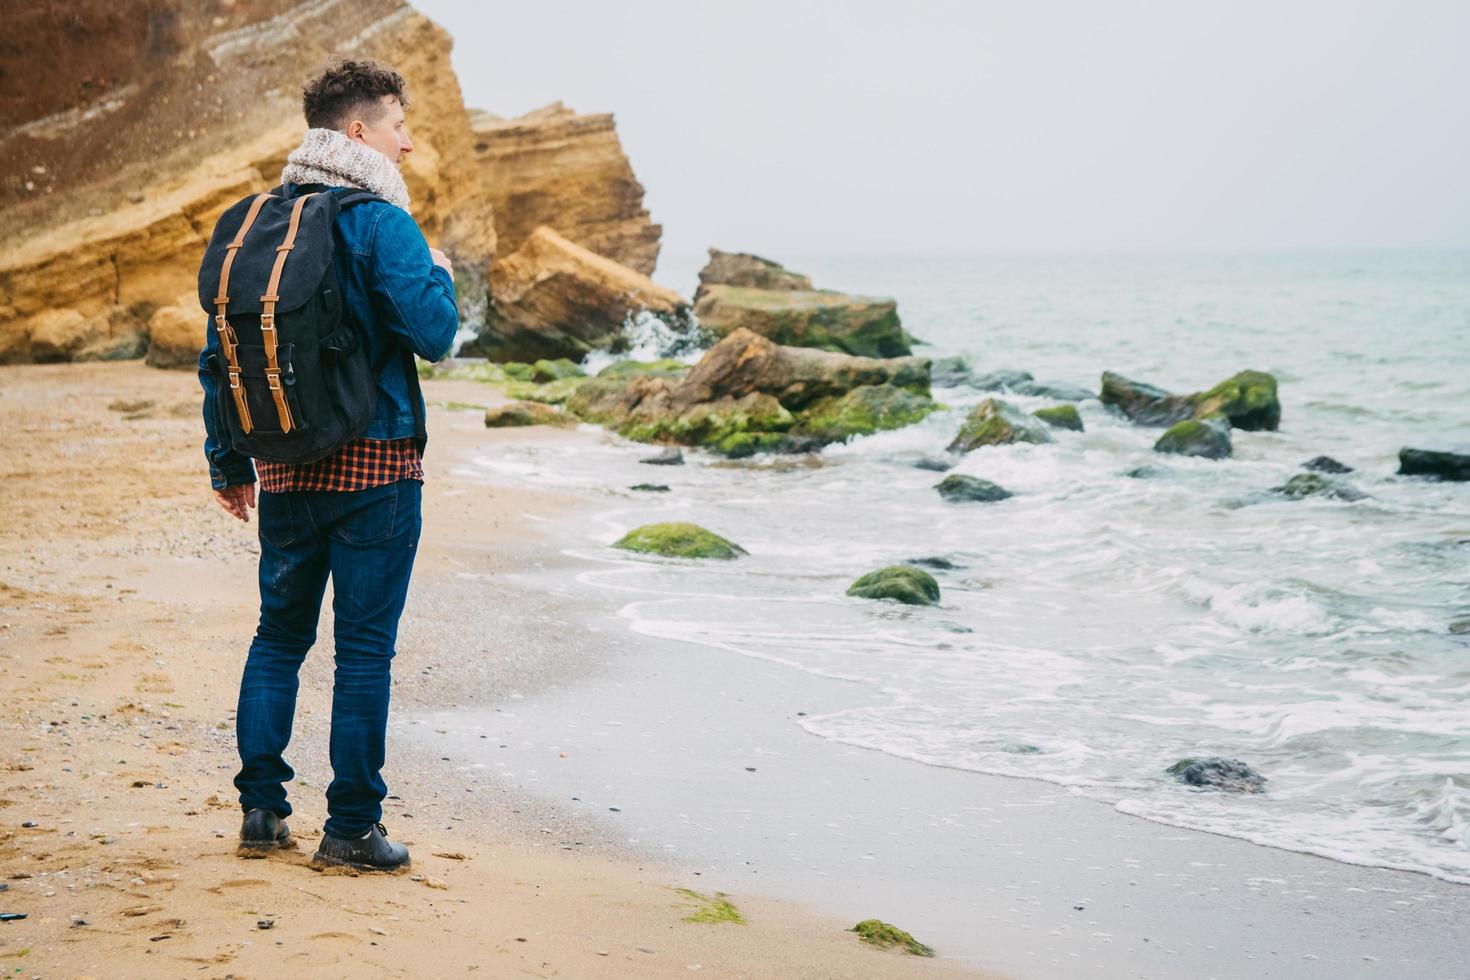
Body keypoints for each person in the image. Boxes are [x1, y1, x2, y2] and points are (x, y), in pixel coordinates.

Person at [197, 58, 458, 872]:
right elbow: (436, 335)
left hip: (284, 468)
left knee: (278, 638)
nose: (408, 143)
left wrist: (227, 462)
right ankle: (349, 830)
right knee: (364, 652)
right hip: (376, 467)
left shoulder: (256, 223)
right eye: (396, 124)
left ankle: (262, 814)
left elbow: (221, 353)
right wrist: (442, 279)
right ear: (357, 132)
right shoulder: (379, 221)